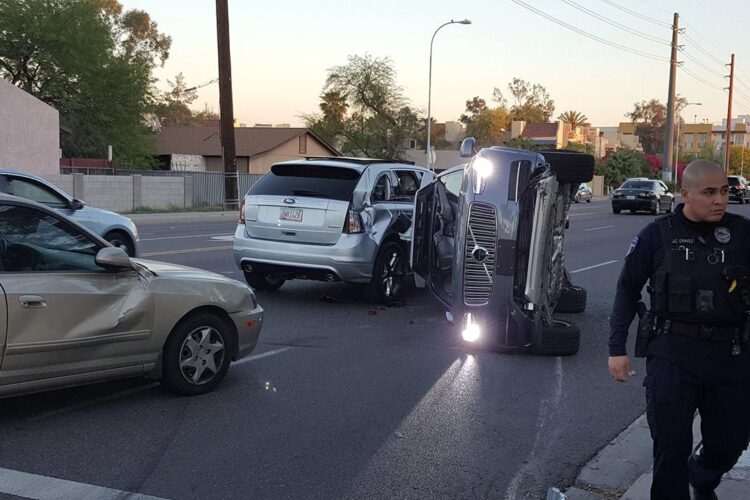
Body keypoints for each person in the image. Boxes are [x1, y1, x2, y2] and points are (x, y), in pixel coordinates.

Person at [608, 160, 750, 500]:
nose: (719, 200)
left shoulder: (743, 234)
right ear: (685, 194)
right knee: (670, 449)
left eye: (724, 192)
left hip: (730, 355)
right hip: (673, 352)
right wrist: (617, 348)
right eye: (709, 192)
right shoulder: (657, 235)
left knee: (730, 442)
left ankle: (703, 476)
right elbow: (627, 289)